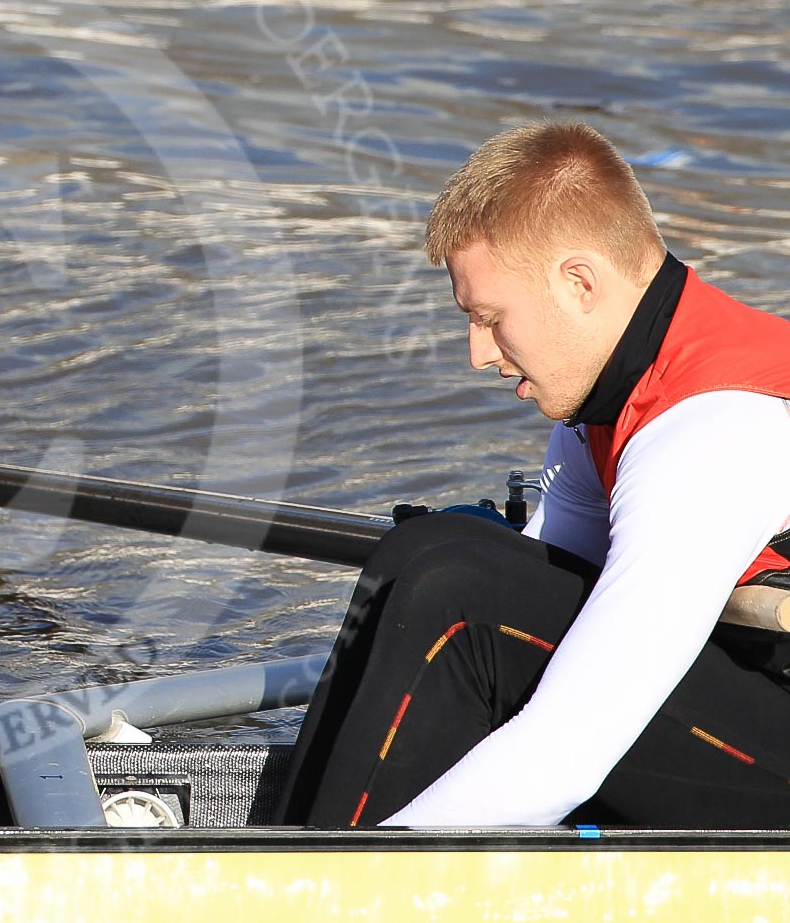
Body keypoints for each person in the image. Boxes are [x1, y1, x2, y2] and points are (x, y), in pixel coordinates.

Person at [278, 120, 790, 829]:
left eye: (491, 318)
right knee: (427, 549)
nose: (478, 353)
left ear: (580, 282)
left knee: (458, 600)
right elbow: (537, 600)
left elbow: (566, 750)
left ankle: (320, 897)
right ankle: (291, 840)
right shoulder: (609, 403)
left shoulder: (707, 436)